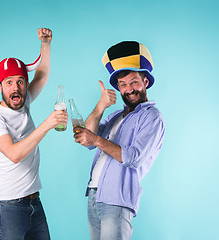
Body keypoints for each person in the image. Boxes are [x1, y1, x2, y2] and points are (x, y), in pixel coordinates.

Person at [73, 41, 165, 240]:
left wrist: (96, 139)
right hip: (94, 195)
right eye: (123, 85)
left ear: (145, 82)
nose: (129, 89)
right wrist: (100, 106)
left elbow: (134, 157)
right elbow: (86, 139)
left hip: (117, 198)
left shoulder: (152, 117)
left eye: (134, 82)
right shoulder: (116, 116)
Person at [0, 28, 68, 240]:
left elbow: (43, 74)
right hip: (8, 205)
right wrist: (47, 124)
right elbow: (14, 154)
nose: (15, 88)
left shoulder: (24, 102)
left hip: (34, 202)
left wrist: (46, 43)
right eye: (9, 82)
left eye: (20, 81)